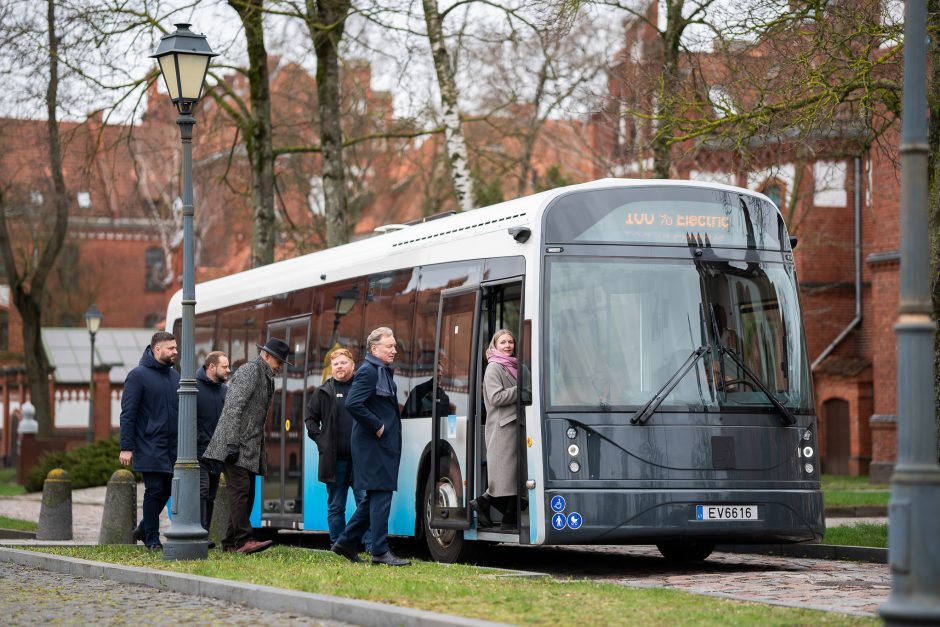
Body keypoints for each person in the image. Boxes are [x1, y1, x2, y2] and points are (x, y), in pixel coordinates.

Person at [203, 337, 292, 554]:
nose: (280, 366)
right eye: (278, 361)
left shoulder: (266, 375)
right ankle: (243, 541)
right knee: (240, 493)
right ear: (266, 355)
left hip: (248, 447)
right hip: (237, 445)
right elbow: (234, 408)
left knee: (247, 494)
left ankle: (231, 544)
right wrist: (232, 443)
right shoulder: (250, 371)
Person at [330, 327, 410, 566]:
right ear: (375, 348)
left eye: (394, 346)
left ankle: (345, 542)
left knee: (372, 498)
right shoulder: (369, 372)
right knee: (381, 495)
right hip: (373, 445)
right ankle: (379, 551)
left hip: (379, 445)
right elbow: (353, 403)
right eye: (390, 346)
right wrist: (377, 425)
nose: (394, 350)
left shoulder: (380, 371)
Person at [305, 347, 371, 550]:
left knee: (365, 504)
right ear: (332, 368)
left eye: (343, 363)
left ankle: (370, 545)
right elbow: (310, 420)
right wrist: (322, 441)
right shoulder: (323, 392)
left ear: (352, 365)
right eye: (336, 364)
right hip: (335, 462)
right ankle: (339, 546)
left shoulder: (362, 388)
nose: (339, 367)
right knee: (336, 506)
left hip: (361, 460)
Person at [119, 331, 180, 551]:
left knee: (168, 490)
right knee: (154, 489)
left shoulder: (175, 377)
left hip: (172, 448)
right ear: (157, 349)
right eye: (171, 348)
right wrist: (126, 447)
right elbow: (128, 413)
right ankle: (152, 539)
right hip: (149, 444)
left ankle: (145, 528)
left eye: (175, 347)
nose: (175, 351)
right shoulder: (138, 375)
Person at [470, 329, 520, 531]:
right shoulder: (493, 368)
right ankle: (486, 504)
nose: (508, 345)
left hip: (514, 427)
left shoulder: (515, 366)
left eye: (510, 341)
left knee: (513, 476)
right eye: (503, 342)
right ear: (494, 346)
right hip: (501, 429)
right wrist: (521, 389)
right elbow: (495, 398)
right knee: (505, 476)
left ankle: (507, 518)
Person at [196, 351, 229, 536]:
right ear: (211, 367)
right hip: (198, 452)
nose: (228, 370)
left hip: (217, 453)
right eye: (224, 366)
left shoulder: (224, 390)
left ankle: (204, 534)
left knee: (210, 497)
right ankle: (199, 534)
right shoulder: (193, 387)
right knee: (202, 491)